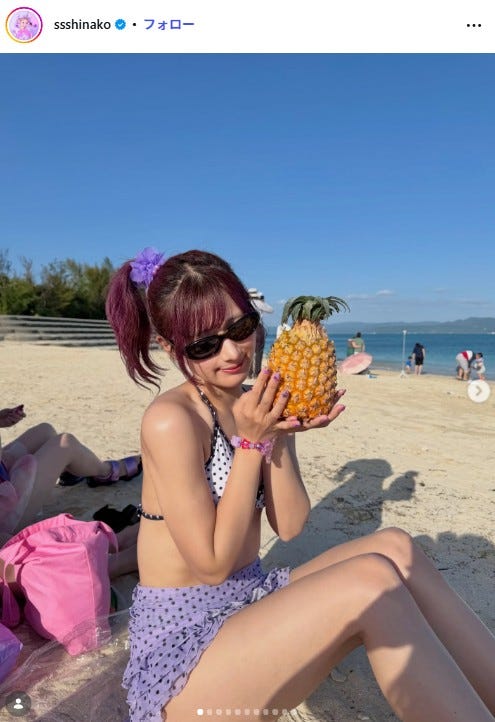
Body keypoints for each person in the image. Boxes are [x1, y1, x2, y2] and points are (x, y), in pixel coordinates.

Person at [106, 247, 495, 722]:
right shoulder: (171, 420)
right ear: (172, 349)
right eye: (205, 344)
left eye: (240, 328)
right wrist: (252, 444)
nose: (232, 352)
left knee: (395, 548)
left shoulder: (252, 401)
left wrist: (281, 432)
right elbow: (211, 565)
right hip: (184, 656)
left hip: (248, 600)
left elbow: (289, 525)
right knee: (370, 581)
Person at [247, 289, 273, 378]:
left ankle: (249, 373)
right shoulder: (259, 302)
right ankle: (256, 373)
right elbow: (270, 310)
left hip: (247, 326)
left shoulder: (245, 303)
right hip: (258, 326)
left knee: (249, 350)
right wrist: (263, 301)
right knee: (259, 351)